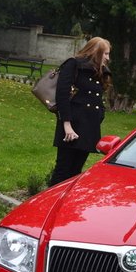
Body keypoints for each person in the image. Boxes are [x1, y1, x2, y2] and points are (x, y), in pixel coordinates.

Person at [49, 37, 112, 186]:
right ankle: (49, 205)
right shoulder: (74, 64)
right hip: (72, 124)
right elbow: (62, 95)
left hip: (89, 127)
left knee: (76, 170)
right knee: (62, 170)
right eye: (105, 54)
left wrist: (99, 115)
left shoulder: (101, 71)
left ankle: (66, 206)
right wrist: (67, 125)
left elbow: (98, 97)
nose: (108, 58)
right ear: (96, 52)